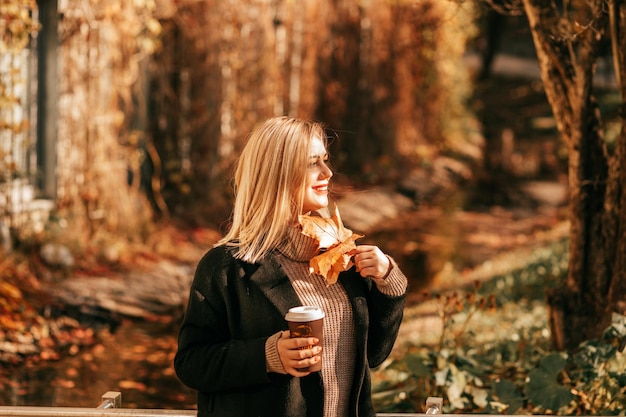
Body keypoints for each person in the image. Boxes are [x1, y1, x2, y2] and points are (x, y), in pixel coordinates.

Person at [174, 116, 408, 417]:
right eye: (313, 163)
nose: (328, 172)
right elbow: (191, 364)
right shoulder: (227, 266)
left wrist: (389, 281)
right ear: (277, 173)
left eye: (325, 160)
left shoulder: (341, 254)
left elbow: (373, 355)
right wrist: (268, 356)